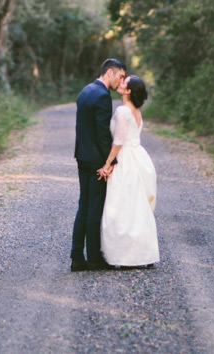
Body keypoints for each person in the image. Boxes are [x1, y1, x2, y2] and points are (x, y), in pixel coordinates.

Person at [71, 57, 126, 271]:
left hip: (82, 157)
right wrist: (109, 161)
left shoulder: (85, 91)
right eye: (120, 76)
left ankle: (77, 257)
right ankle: (93, 258)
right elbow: (103, 135)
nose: (121, 81)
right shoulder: (103, 96)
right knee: (94, 209)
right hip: (96, 161)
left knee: (83, 207)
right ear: (109, 72)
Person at [100, 75, 159, 268]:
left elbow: (118, 140)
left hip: (125, 158)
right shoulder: (136, 111)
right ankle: (143, 253)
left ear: (128, 91)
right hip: (138, 156)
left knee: (121, 204)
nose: (121, 82)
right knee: (137, 205)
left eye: (125, 82)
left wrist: (108, 163)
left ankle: (124, 256)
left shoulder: (123, 111)